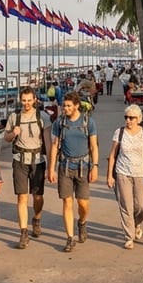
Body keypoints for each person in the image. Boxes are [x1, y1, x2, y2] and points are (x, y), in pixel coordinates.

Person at [47, 91, 98, 252]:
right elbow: (55, 146)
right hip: (65, 166)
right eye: (64, 105)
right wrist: (51, 168)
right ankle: (70, 238)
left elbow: (93, 146)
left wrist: (95, 166)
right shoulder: (59, 123)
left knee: (83, 203)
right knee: (67, 202)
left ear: (77, 106)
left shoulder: (88, 122)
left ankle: (82, 222)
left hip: (83, 167)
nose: (65, 108)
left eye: (68, 105)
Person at [2, 86, 52, 248]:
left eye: (29, 100)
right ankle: (23, 233)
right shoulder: (14, 117)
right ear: (20, 100)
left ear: (35, 100)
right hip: (20, 160)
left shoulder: (42, 117)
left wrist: (52, 165)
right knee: (22, 197)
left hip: (37, 160)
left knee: (37, 197)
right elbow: (6, 138)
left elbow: (48, 143)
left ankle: (36, 218)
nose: (26, 103)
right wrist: (13, 133)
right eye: (24, 100)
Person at [106, 105, 143, 249]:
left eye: (132, 118)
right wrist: (110, 175)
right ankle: (129, 236)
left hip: (141, 174)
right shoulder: (119, 133)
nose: (128, 120)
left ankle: (137, 223)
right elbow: (112, 154)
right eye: (126, 117)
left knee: (141, 205)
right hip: (123, 173)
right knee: (126, 205)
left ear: (139, 119)